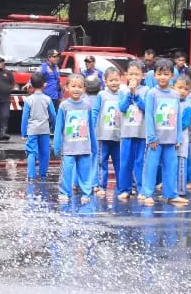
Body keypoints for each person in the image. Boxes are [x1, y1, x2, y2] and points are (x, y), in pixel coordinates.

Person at [141, 59, 188, 207]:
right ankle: (147, 193)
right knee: (151, 166)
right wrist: (151, 136)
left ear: (172, 76)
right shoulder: (152, 93)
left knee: (171, 166)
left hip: (171, 139)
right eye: (159, 74)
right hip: (156, 139)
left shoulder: (175, 95)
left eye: (166, 74)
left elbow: (178, 117)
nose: (162, 77)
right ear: (154, 75)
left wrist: (179, 136)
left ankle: (171, 194)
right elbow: (148, 116)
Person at [53, 74, 97, 202]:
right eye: (73, 86)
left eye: (79, 87)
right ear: (67, 87)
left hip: (84, 147)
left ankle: (86, 193)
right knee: (67, 172)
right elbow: (58, 127)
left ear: (84, 89)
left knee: (85, 172)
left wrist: (93, 145)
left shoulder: (87, 106)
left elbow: (91, 128)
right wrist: (57, 145)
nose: (76, 89)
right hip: (68, 148)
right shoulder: (63, 106)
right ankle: (64, 192)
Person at [117, 63, 148, 200]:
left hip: (141, 133)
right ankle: (125, 189)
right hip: (126, 133)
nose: (134, 77)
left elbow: (146, 108)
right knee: (125, 162)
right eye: (131, 74)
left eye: (137, 74)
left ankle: (141, 189)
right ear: (126, 76)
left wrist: (136, 95)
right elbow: (122, 108)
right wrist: (130, 93)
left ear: (143, 76)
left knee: (140, 162)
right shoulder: (122, 91)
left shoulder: (147, 91)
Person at [92, 67, 123, 197]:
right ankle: (101, 186)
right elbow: (95, 111)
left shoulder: (123, 95)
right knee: (101, 162)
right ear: (105, 81)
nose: (114, 83)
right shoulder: (101, 95)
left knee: (119, 163)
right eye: (111, 80)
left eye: (116, 80)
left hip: (119, 136)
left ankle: (122, 187)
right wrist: (92, 128)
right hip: (103, 135)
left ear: (120, 80)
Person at [21, 72, 56, 180]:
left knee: (31, 152)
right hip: (44, 130)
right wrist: (53, 128)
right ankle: (43, 175)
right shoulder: (47, 99)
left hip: (32, 130)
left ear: (31, 84)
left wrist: (23, 133)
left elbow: (24, 118)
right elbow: (53, 115)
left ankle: (31, 176)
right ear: (44, 84)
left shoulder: (28, 100)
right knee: (45, 152)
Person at [174, 75, 191, 197]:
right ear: (173, 87)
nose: (182, 91)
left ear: (189, 91)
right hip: (170, 139)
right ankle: (172, 190)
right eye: (179, 88)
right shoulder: (172, 101)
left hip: (181, 139)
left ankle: (181, 190)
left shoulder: (188, 105)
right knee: (171, 165)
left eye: (185, 89)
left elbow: (184, 123)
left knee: (181, 163)